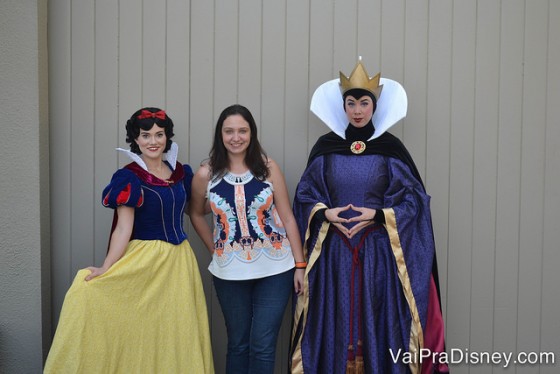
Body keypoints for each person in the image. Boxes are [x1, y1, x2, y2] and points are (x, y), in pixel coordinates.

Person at [290, 59, 449, 374]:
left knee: (375, 320)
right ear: (344, 106)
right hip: (334, 256)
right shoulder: (326, 148)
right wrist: (326, 212)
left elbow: (414, 201)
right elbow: (305, 196)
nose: (357, 110)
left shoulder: (390, 149)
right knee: (336, 320)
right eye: (351, 103)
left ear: (374, 107)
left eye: (364, 103)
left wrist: (378, 215)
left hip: (378, 257)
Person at [44, 107, 214, 373]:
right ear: (135, 139)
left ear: (167, 137)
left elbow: (199, 209)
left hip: (179, 264)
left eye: (159, 134)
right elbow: (123, 229)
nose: (153, 141)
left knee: (172, 332)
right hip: (145, 261)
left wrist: (216, 183)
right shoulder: (130, 177)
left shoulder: (181, 172)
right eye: (146, 135)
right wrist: (106, 268)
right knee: (139, 329)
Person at [189, 104, 306, 374]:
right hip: (229, 273)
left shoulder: (267, 168)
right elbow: (195, 214)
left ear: (252, 133)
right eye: (229, 131)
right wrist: (215, 249)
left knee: (263, 345)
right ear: (220, 134)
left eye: (242, 130)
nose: (236, 137)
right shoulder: (206, 174)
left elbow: (288, 217)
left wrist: (300, 266)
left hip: (276, 268)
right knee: (239, 344)